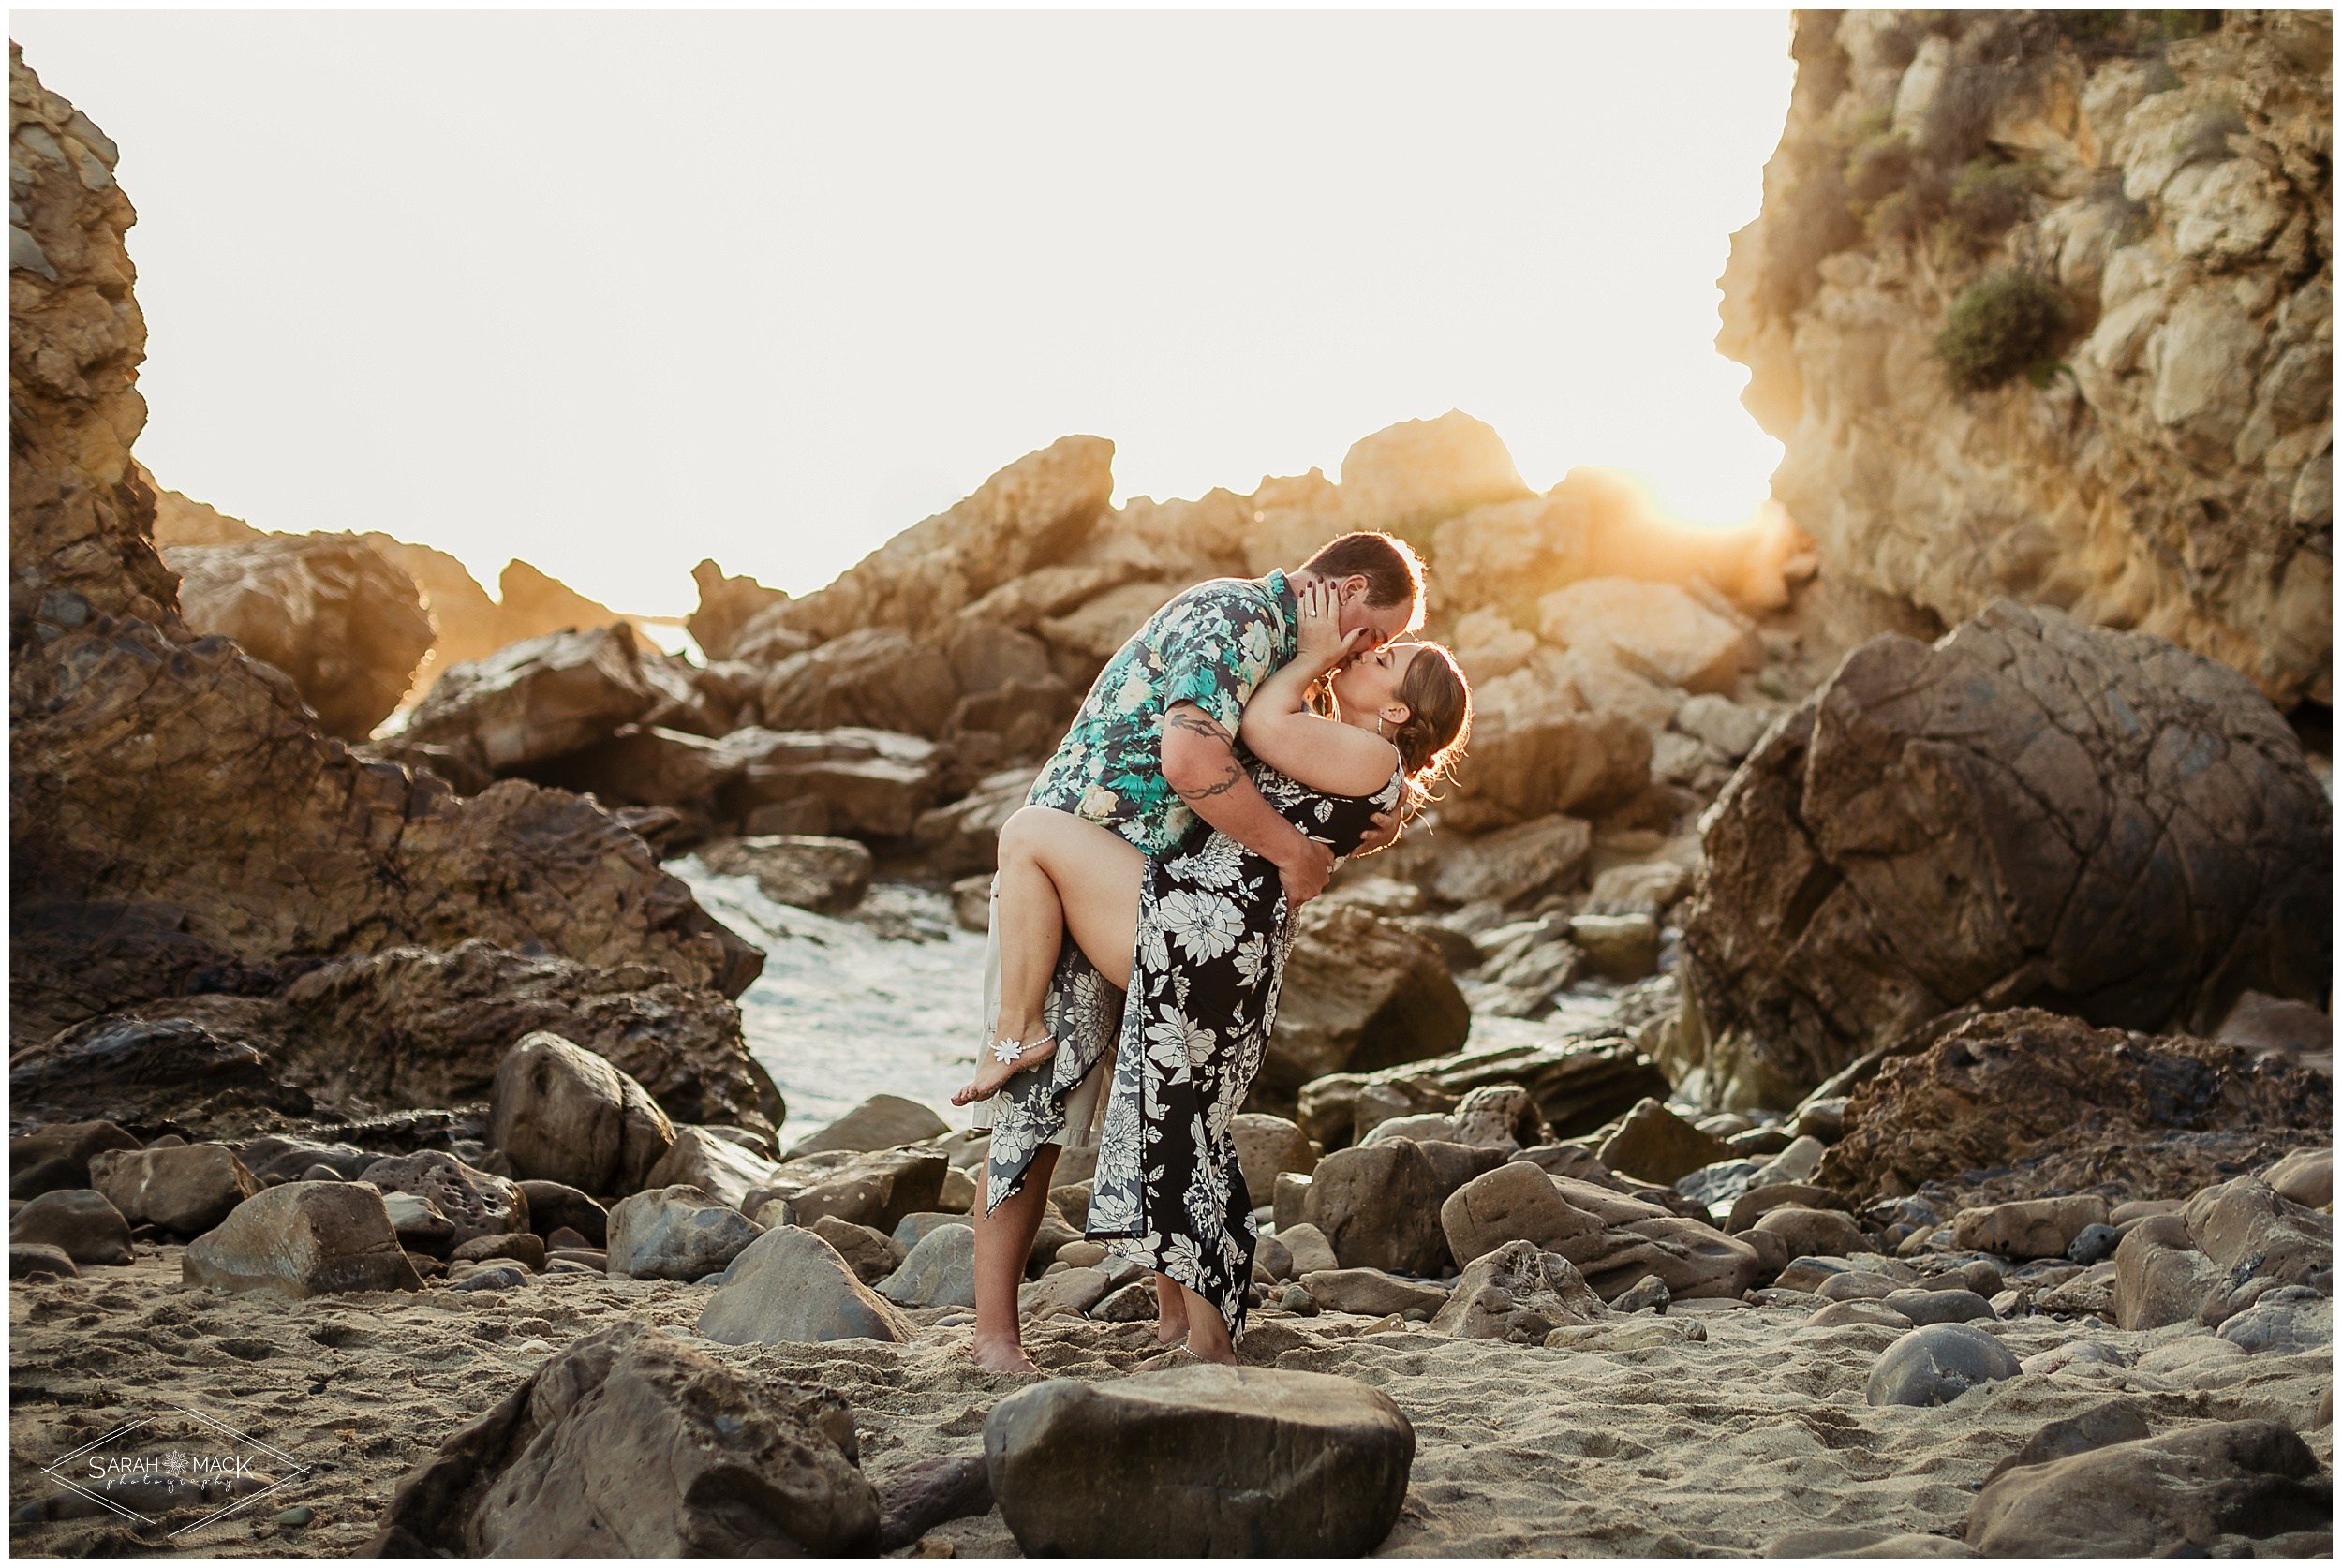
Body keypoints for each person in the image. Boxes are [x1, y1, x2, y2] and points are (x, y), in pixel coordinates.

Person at [955, 533, 1426, 1375]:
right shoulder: (1234, 618)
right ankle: (998, 1341)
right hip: (1085, 881)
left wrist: (1353, 818)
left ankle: (1189, 1328)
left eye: (1383, 653)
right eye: (1375, 634)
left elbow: (1309, 776)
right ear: (1349, 591)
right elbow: (1193, 756)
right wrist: (1296, 848)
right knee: (1048, 1104)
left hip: (1163, 908)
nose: (1369, 650)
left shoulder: (1301, 672)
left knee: (1171, 1119)